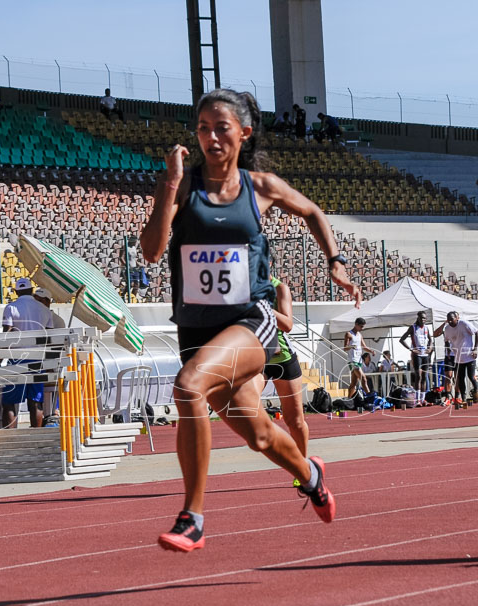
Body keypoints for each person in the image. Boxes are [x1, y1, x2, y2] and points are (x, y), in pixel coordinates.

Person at [141, 88, 359, 552]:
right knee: (258, 434)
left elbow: (314, 212)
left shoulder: (262, 187)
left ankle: (192, 517)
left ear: (244, 132)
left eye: (222, 127)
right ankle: (311, 474)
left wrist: (335, 262)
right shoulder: (181, 186)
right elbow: (153, 251)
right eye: (202, 128)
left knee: (188, 387)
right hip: (196, 328)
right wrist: (170, 183)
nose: (211, 137)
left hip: (250, 318)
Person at [260, 276, 310, 458]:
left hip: (282, 359)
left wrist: (262, 307)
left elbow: (287, 324)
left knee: (294, 421)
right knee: (243, 402)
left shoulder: (280, 288)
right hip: (258, 360)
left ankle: (304, 468)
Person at [1, 278, 54, 429]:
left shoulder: (11, 307)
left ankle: (9, 438)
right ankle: (36, 434)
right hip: (38, 358)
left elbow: (7, 335)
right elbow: (49, 337)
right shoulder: (44, 309)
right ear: (32, 290)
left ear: (16, 291)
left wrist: (0, 358)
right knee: (35, 401)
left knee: (9, 402)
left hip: (17, 358)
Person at [33, 287, 65, 425]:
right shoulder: (34, 317)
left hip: (51, 363)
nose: (36, 304)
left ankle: (53, 412)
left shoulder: (57, 321)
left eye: (39, 301)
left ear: (47, 301)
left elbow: (58, 346)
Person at [434, 311, 478, 404]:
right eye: (449, 320)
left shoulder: (464, 324)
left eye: (452, 319)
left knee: (471, 377)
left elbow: (477, 332)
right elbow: (446, 339)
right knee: (460, 378)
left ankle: (476, 390)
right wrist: (448, 349)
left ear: (457, 318)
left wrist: (475, 349)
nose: (450, 321)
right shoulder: (447, 328)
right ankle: (463, 398)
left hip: (469, 356)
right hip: (458, 358)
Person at [399, 311, 433, 395]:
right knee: (419, 376)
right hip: (417, 355)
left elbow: (430, 340)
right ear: (418, 318)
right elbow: (402, 339)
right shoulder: (413, 327)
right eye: (421, 318)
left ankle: (423, 398)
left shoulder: (426, 328)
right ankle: (417, 399)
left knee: (425, 377)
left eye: (424, 318)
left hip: (425, 355)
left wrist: (430, 348)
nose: (423, 320)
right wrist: (411, 349)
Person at [344, 317, 375, 397]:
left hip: (359, 360)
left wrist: (371, 351)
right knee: (363, 378)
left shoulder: (360, 335)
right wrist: (351, 346)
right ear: (356, 324)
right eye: (361, 326)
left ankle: (349, 400)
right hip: (352, 360)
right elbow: (345, 348)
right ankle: (369, 397)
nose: (362, 328)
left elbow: (364, 346)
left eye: (363, 326)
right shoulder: (349, 334)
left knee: (354, 382)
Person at [120, 235, 150, 300]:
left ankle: (133, 297)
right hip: (127, 268)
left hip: (134, 268)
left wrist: (138, 264)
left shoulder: (134, 247)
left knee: (137, 284)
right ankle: (123, 296)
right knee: (130, 284)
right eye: (134, 242)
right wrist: (126, 265)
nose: (135, 243)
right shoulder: (125, 246)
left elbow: (134, 258)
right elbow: (121, 257)